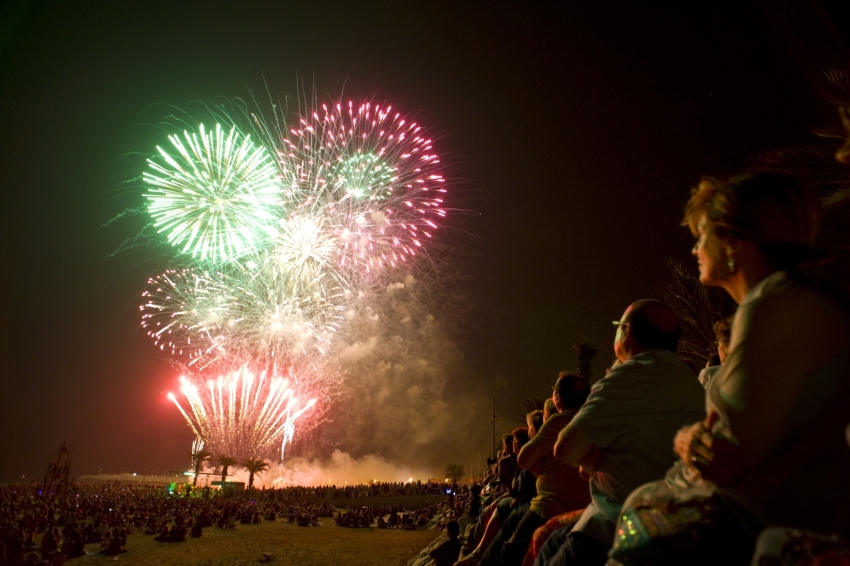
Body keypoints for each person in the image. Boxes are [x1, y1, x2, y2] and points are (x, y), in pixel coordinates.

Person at [674, 172, 850, 539]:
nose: (694, 250)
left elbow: (725, 458)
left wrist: (688, 442)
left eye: (702, 235)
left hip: (766, 528)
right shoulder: (796, 301)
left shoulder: (773, 305)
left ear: (734, 239)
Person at [550, 299, 706, 565]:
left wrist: (592, 460)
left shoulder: (629, 377)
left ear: (627, 331)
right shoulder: (690, 382)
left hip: (619, 525)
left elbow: (565, 449)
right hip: (683, 526)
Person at [472, 372, 592, 566]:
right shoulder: (595, 420)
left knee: (508, 552)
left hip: (552, 506)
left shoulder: (559, 421)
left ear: (558, 398)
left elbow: (524, 457)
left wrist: (540, 470)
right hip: (586, 506)